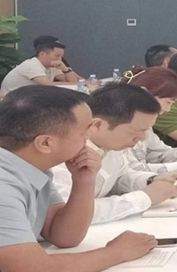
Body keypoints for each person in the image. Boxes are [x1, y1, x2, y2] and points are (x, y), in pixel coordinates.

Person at [0, 86, 156, 270]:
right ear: (46, 143)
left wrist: (84, 181)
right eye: (84, 131)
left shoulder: (32, 167)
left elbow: (64, 236)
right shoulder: (4, 187)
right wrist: (117, 252)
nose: (89, 136)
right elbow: (32, 268)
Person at [51, 84, 177, 224]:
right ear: (97, 125)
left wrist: (153, 181)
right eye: (136, 131)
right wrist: (144, 197)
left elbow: (120, 177)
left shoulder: (110, 146)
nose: (142, 139)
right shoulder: (62, 157)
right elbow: (72, 213)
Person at [1, 41, 83, 96]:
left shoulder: (53, 66)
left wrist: (65, 69)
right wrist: (77, 85)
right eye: (57, 56)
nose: (60, 59)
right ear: (42, 54)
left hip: (27, 99)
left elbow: (72, 82)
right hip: (11, 102)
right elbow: (48, 85)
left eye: (61, 56)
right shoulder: (31, 65)